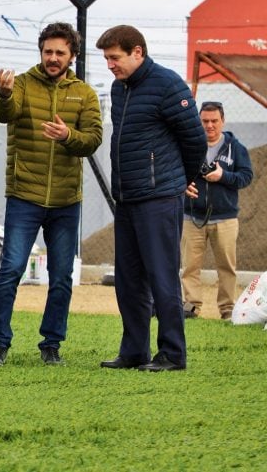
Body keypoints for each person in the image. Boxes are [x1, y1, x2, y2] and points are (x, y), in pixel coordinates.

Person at [0, 22, 103, 367]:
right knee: (11, 270)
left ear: (72, 56)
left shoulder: (85, 94)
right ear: (41, 52)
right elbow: (5, 113)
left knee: (62, 276)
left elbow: (93, 139)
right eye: (47, 51)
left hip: (67, 200)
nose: (52, 58)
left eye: (59, 53)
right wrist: (3, 94)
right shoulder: (20, 84)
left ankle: (51, 345)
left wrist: (68, 135)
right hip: (24, 195)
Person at [95, 25, 207, 372]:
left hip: (159, 197)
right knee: (129, 279)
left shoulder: (169, 85)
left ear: (137, 52)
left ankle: (172, 354)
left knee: (162, 276)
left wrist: (180, 180)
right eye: (107, 59)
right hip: (127, 197)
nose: (110, 65)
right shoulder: (119, 89)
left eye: (115, 58)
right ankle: (134, 351)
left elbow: (195, 141)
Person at [181, 101, 253, 320]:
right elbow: (174, 171)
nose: (209, 126)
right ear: (198, 121)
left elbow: (246, 177)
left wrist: (223, 176)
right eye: (205, 121)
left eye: (214, 121)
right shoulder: (189, 145)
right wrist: (183, 185)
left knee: (226, 268)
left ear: (223, 121)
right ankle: (191, 307)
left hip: (225, 218)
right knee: (189, 267)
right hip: (191, 216)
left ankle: (227, 310)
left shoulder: (236, 148)